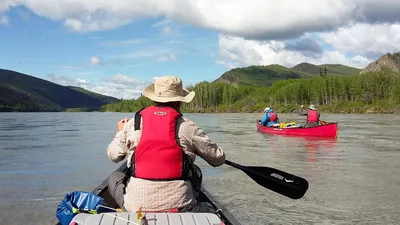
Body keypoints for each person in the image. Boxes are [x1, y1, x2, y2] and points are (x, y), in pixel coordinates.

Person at [106, 75, 226, 213]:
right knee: (196, 174)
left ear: (154, 98)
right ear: (179, 101)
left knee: (114, 178)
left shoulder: (133, 123)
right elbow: (218, 159)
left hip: (136, 207)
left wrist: (120, 132)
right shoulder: (189, 126)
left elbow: (114, 155)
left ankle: (129, 209)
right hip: (181, 206)